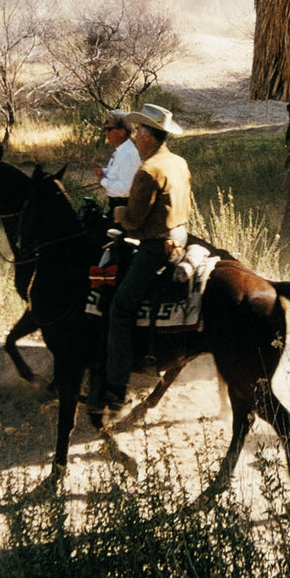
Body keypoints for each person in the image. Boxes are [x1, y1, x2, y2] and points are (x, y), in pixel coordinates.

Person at [102, 103, 192, 420]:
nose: (135, 137)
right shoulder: (178, 163)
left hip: (156, 247)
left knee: (120, 308)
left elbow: (136, 220)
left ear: (148, 136)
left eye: (139, 132)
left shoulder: (148, 170)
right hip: (181, 239)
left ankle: (116, 388)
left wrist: (119, 214)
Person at [93, 109, 140, 220]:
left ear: (122, 132)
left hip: (123, 210)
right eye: (105, 129)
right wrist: (103, 172)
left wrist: (103, 181)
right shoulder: (120, 150)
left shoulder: (128, 154)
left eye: (109, 129)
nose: (106, 133)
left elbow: (125, 188)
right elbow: (118, 173)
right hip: (116, 206)